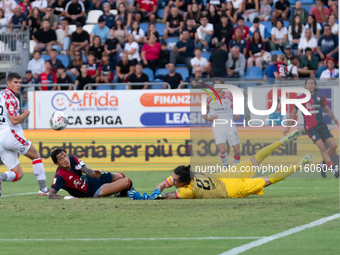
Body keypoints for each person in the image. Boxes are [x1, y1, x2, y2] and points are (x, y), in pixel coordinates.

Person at [129, 131, 315, 200]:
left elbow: (167, 195)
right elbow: (169, 181)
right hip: (225, 176)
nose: (172, 180)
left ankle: (300, 163)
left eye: (174, 179)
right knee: (255, 160)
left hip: (229, 190)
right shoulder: (189, 172)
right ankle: (282, 141)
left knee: (266, 181)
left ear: (182, 181)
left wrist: (153, 195)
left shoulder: (187, 191)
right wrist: (160, 186)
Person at [0, 73, 49, 196]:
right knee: (36, 156)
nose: (18, 85)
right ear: (8, 83)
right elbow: (14, 120)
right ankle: (43, 190)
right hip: (9, 134)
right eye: (15, 82)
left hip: (1, 137)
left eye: (20, 82)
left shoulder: (1, 95)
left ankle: (0, 178)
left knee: (18, 174)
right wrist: (26, 114)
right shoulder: (11, 98)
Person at [284, 78, 339, 178]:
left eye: (312, 83)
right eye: (308, 83)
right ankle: (333, 169)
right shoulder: (300, 98)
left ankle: (323, 164)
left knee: (334, 146)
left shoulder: (320, 97)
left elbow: (328, 110)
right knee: (322, 147)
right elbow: (293, 113)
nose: (309, 85)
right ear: (305, 87)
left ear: (315, 86)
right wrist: (288, 126)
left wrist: (335, 119)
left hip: (322, 125)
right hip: (311, 127)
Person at [48, 149, 133, 199]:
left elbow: (86, 169)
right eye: (61, 159)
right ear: (57, 163)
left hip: (92, 179)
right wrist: (67, 198)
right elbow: (51, 195)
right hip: (92, 191)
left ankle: (121, 193)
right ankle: (124, 192)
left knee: (121, 176)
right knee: (127, 182)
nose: (66, 160)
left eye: (65, 156)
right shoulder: (59, 176)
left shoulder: (73, 159)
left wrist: (93, 174)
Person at [203, 78, 241, 166]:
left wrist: (237, 114)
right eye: (215, 84)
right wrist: (209, 119)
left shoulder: (229, 97)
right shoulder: (209, 99)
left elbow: (236, 108)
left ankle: (236, 169)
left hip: (230, 125)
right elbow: (204, 115)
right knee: (222, 150)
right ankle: (226, 167)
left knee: (237, 150)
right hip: (218, 127)